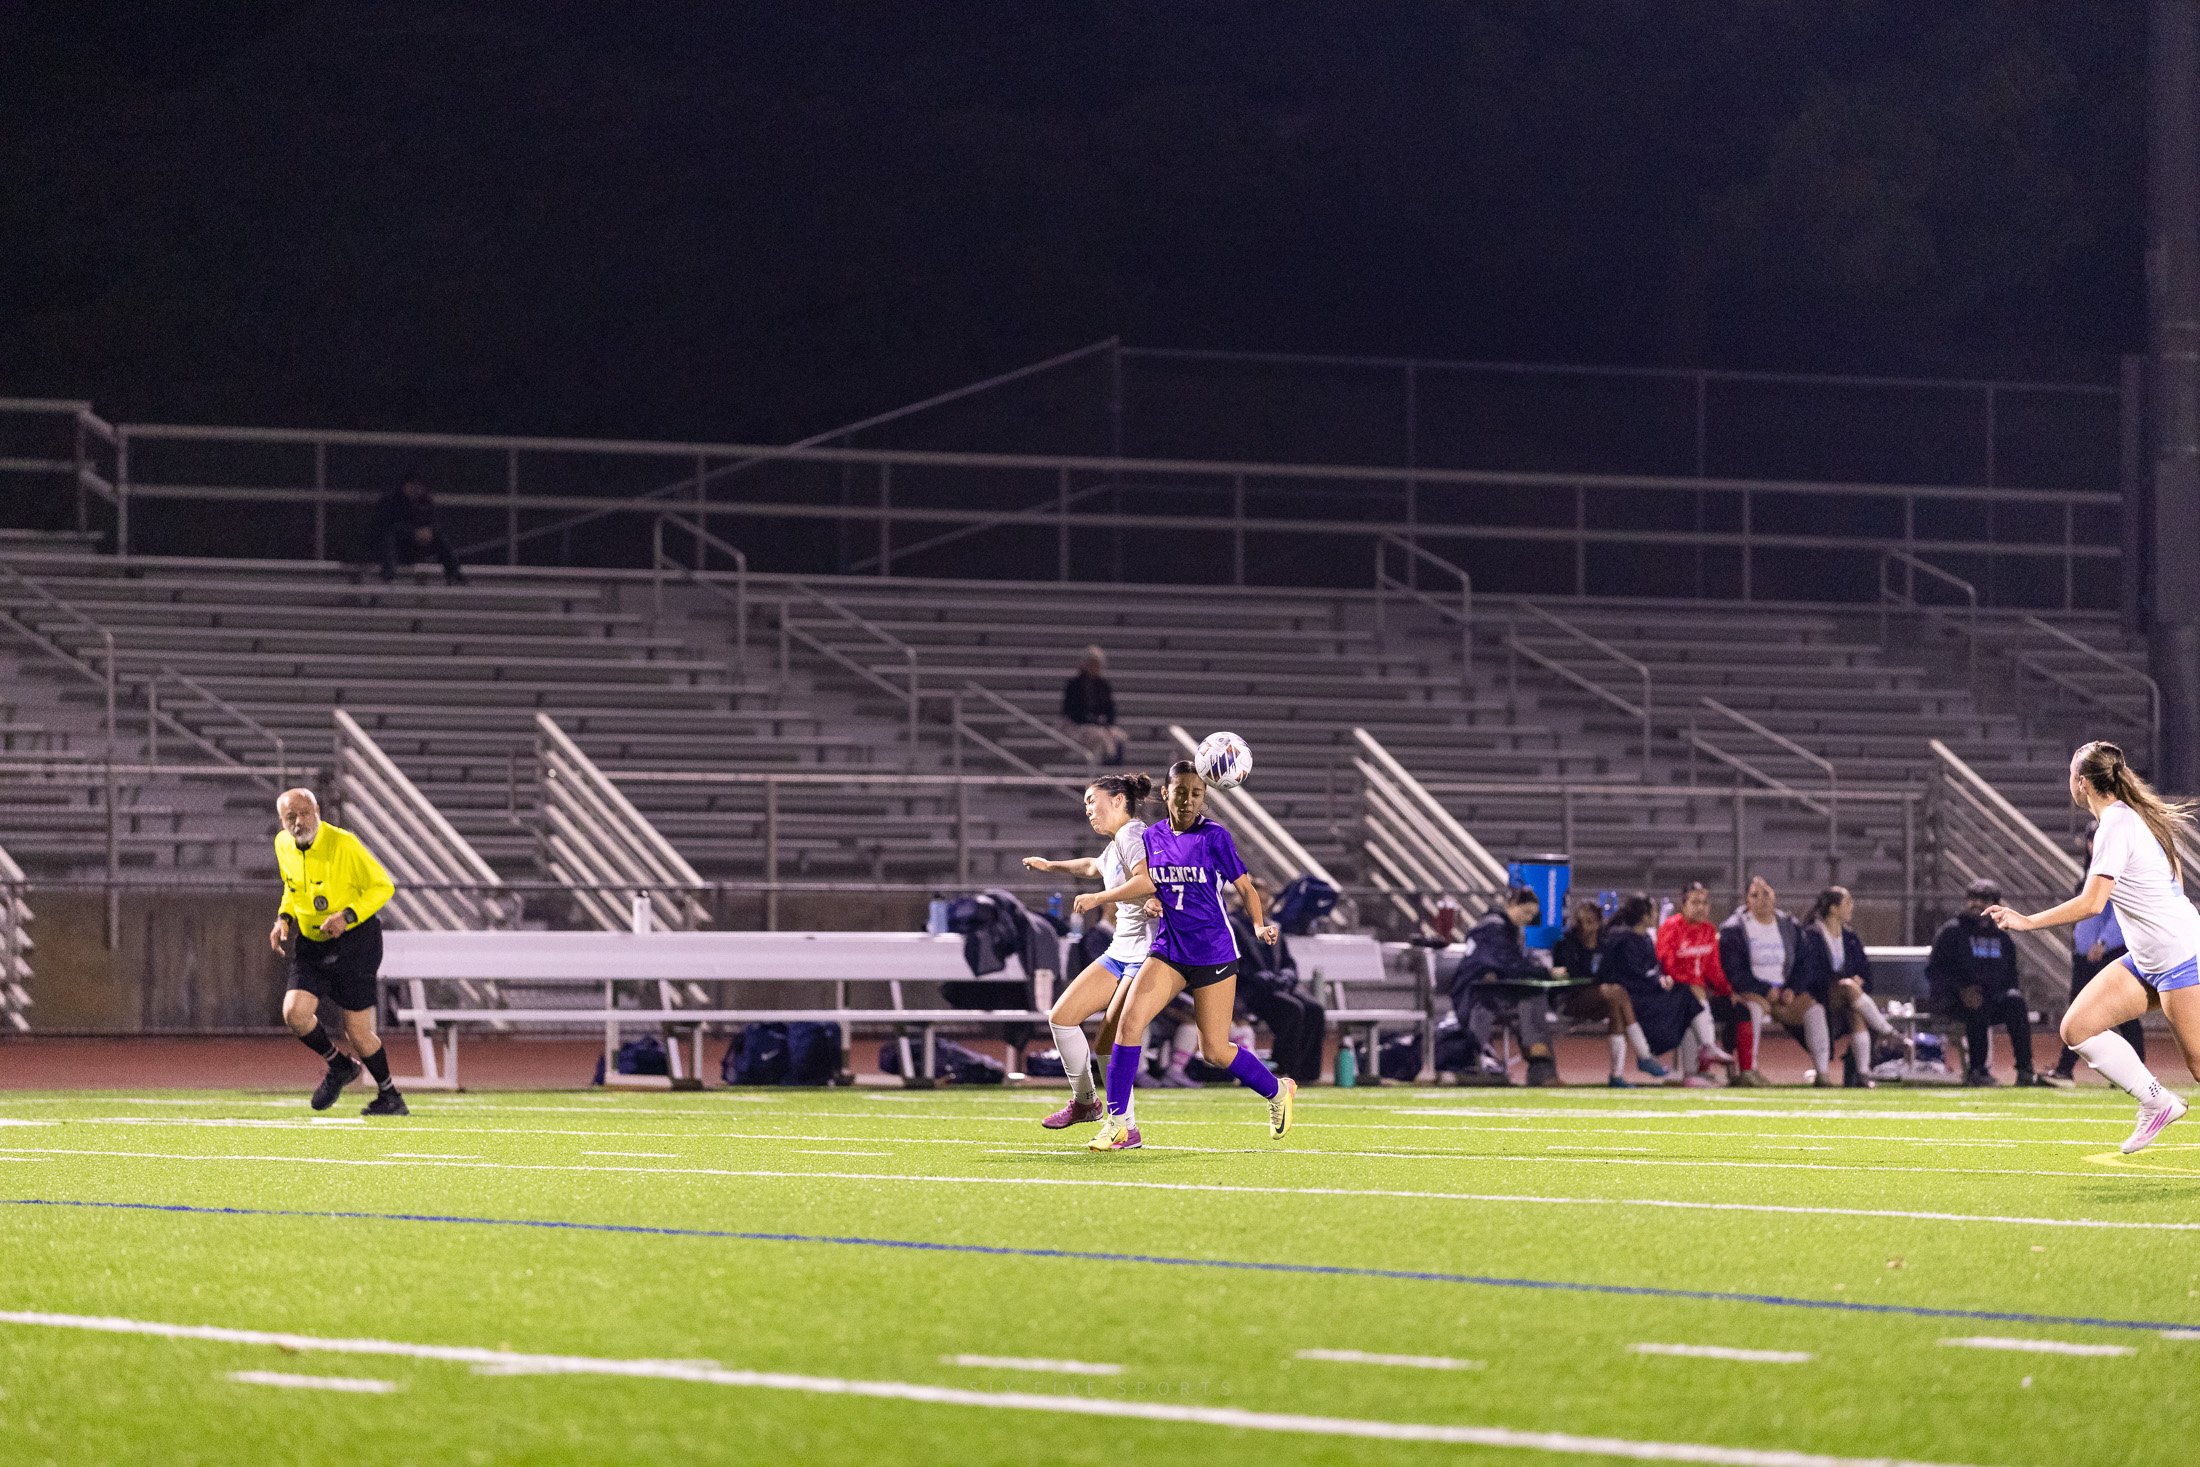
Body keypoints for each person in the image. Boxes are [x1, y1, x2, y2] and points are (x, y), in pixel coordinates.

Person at [1986, 741, 2200, 1153]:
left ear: (2082, 783)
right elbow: (2173, 876)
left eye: (2071, 775)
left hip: (2178, 956)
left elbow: (2092, 903)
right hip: (2149, 958)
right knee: (2076, 1028)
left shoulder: (2116, 825)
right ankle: (2157, 1102)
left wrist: (2027, 921)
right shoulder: (2131, 817)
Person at [1072, 760, 1290, 1150]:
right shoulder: (1151, 837)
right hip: (1168, 949)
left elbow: (1245, 887)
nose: (1188, 800)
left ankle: (1278, 1090)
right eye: (1181, 792)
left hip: (1212, 952)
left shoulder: (1215, 837)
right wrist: (1151, 901)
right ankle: (1120, 1126)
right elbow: (1143, 881)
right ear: (1165, 794)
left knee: (1215, 1051)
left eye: (1196, 794)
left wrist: (1259, 926)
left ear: (1204, 797)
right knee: (1128, 1024)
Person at [1021, 772, 1156, 1129]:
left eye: (1092, 801)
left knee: (1112, 1044)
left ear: (1118, 800)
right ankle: (1087, 1103)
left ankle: (1124, 1126)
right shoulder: (1118, 842)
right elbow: (1093, 866)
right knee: (1062, 1018)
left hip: (1146, 954)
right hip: (1120, 951)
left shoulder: (1133, 834)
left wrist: (1098, 897)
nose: (1088, 810)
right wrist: (1051, 866)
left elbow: (1146, 880)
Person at [268, 788, 407, 1116]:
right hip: (312, 942)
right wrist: (284, 918)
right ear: (281, 821)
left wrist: (347, 916)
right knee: (294, 1013)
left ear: (317, 810)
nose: (299, 822)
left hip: (355, 942)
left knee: (357, 1031)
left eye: (305, 813)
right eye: (291, 817)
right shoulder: (282, 844)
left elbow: (383, 886)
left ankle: (390, 1096)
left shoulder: (343, 843)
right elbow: (292, 887)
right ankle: (340, 1066)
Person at [2050, 822, 2144, 1086]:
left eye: (2098, 839)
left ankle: (2136, 1072)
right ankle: (2065, 1069)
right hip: (2085, 957)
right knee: (2078, 1013)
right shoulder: (2090, 873)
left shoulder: (2117, 871)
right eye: (2091, 840)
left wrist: (2103, 942)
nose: (2093, 845)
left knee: (2123, 1014)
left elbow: (2121, 913)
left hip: (2108, 953)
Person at [1597, 892, 1724, 1084]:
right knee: (1685, 1001)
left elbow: (1653, 970)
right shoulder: (1623, 940)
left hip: (1646, 995)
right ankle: (1655, 1058)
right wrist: (1657, 982)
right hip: (1635, 999)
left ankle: (1706, 1050)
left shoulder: (1645, 938)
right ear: (1644, 916)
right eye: (1654, 911)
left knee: (1687, 995)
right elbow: (1632, 977)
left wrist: (1663, 979)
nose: (1656, 915)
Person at [1925, 878, 2042, 1086]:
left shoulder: (2002, 937)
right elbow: (1935, 970)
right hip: (1955, 1000)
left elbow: (2010, 978)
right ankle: (1977, 1070)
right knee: (1977, 1003)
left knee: (2015, 1001)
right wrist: (1961, 990)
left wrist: (2001, 992)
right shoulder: (1952, 931)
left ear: (1995, 904)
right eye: (1972, 898)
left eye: (1984, 899)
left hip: (1992, 998)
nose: (1976, 904)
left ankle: (2025, 1069)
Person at [1717, 875, 1830, 1086]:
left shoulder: (1789, 925)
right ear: (1747, 901)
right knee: (1751, 1010)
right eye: (1755, 895)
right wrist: (1763, 990)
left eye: (1766, 894)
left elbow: (1804, 962)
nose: (1762, 899)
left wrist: (1793, 989)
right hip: (1753, 993)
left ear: (1774, 896)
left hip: (1784, 994)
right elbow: (1734, 971)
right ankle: (1749, 1070)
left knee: (1815, 1010)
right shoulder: (1734, 929)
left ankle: (1822, 1073)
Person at [1792, 885, 1909, 1087]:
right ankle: (1887, 1031)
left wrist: (1859, 980)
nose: (1851, 906)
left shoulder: (1850, 937)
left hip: (1846, 998)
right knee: (1846, 986)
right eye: (1847, 902)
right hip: (1819, 995)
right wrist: (1844, 980)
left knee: (1856, 1014)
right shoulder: (1811, 935)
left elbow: (1865, 973)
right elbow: (1810, 972)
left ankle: (1863, 1074)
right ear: (1833, 908)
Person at [1450, 885, 1561, 1086]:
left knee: (1531, 998)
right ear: (1512, 904)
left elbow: (1508, 966)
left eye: (1531, 915)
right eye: (1525, 912)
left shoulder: (1501, 929)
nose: (1527, 919)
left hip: (1488, 991)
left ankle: (1539, 1061)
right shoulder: (1493, 929)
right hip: (1475, 994)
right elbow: (1508, 965)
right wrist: (1544, 973)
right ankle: (1539, 1060)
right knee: (1531, 997)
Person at [1228, 879, 1327, 1085]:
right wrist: (1256, 976)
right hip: (1250, 991)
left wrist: (1287, 974)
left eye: (1264, 902)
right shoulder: (1233, 926)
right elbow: (1232, 962)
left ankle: (1308, 1072)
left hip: (1277, 986)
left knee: (1315, 1009)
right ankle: (1284, 1068)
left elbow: (1288, 961)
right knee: (1292, 1009)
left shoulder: (1272, 927)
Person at [1551, 896, 1652, 1086]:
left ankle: (1617, 1076)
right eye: (1580, 923)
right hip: (1569, 1000)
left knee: (1616, 1004)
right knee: (1616, 993)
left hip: (1599, 998)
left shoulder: (1605, 944)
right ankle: (1644, 1054)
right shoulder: (1566, 944)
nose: (1585, 927)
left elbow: (1609, 973)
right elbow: (1573, 975)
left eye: (1590, 922)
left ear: (1599, 923)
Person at [1655, 883, 1740, 1084]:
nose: (1701, 907)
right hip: (1669, 992)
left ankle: (1707, 1070)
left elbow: (1713, 969)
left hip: (1698, 995)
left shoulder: (1708, 930)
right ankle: (1702, 1057)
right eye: (1695, 902)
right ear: (1683, 905)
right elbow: (1667, 964)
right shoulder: (1671, 927)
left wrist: (1728, 991)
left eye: (1704, 903)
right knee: (1690, 998)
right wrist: (1690, 984)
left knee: (1739, 1007)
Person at [373, 472, 466, 585]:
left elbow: (435, 522)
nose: (415, 489)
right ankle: (388, 576)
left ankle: (454, 575)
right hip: (399, 544)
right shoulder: (391, 501)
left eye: (418, 486)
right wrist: (413, 533)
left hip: (418, 545)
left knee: (441, 540)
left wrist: (429, 532)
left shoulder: (425, 502)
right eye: (412, 485)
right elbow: (386, 526)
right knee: (388, 538)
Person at [1060, 646, 1126, 764]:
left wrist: (1107, 723)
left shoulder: (1103, 685)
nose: (1094, 667)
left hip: (1099, 724)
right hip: (1079, 725)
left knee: (1119, 736)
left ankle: (1114, 766)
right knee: (1099, 736)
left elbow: (1110, 709)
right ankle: (1101, 766)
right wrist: (1093, 720)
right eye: (1091, 663)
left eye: (1097, 664)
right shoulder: (1074, 685)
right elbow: (1071, 710)